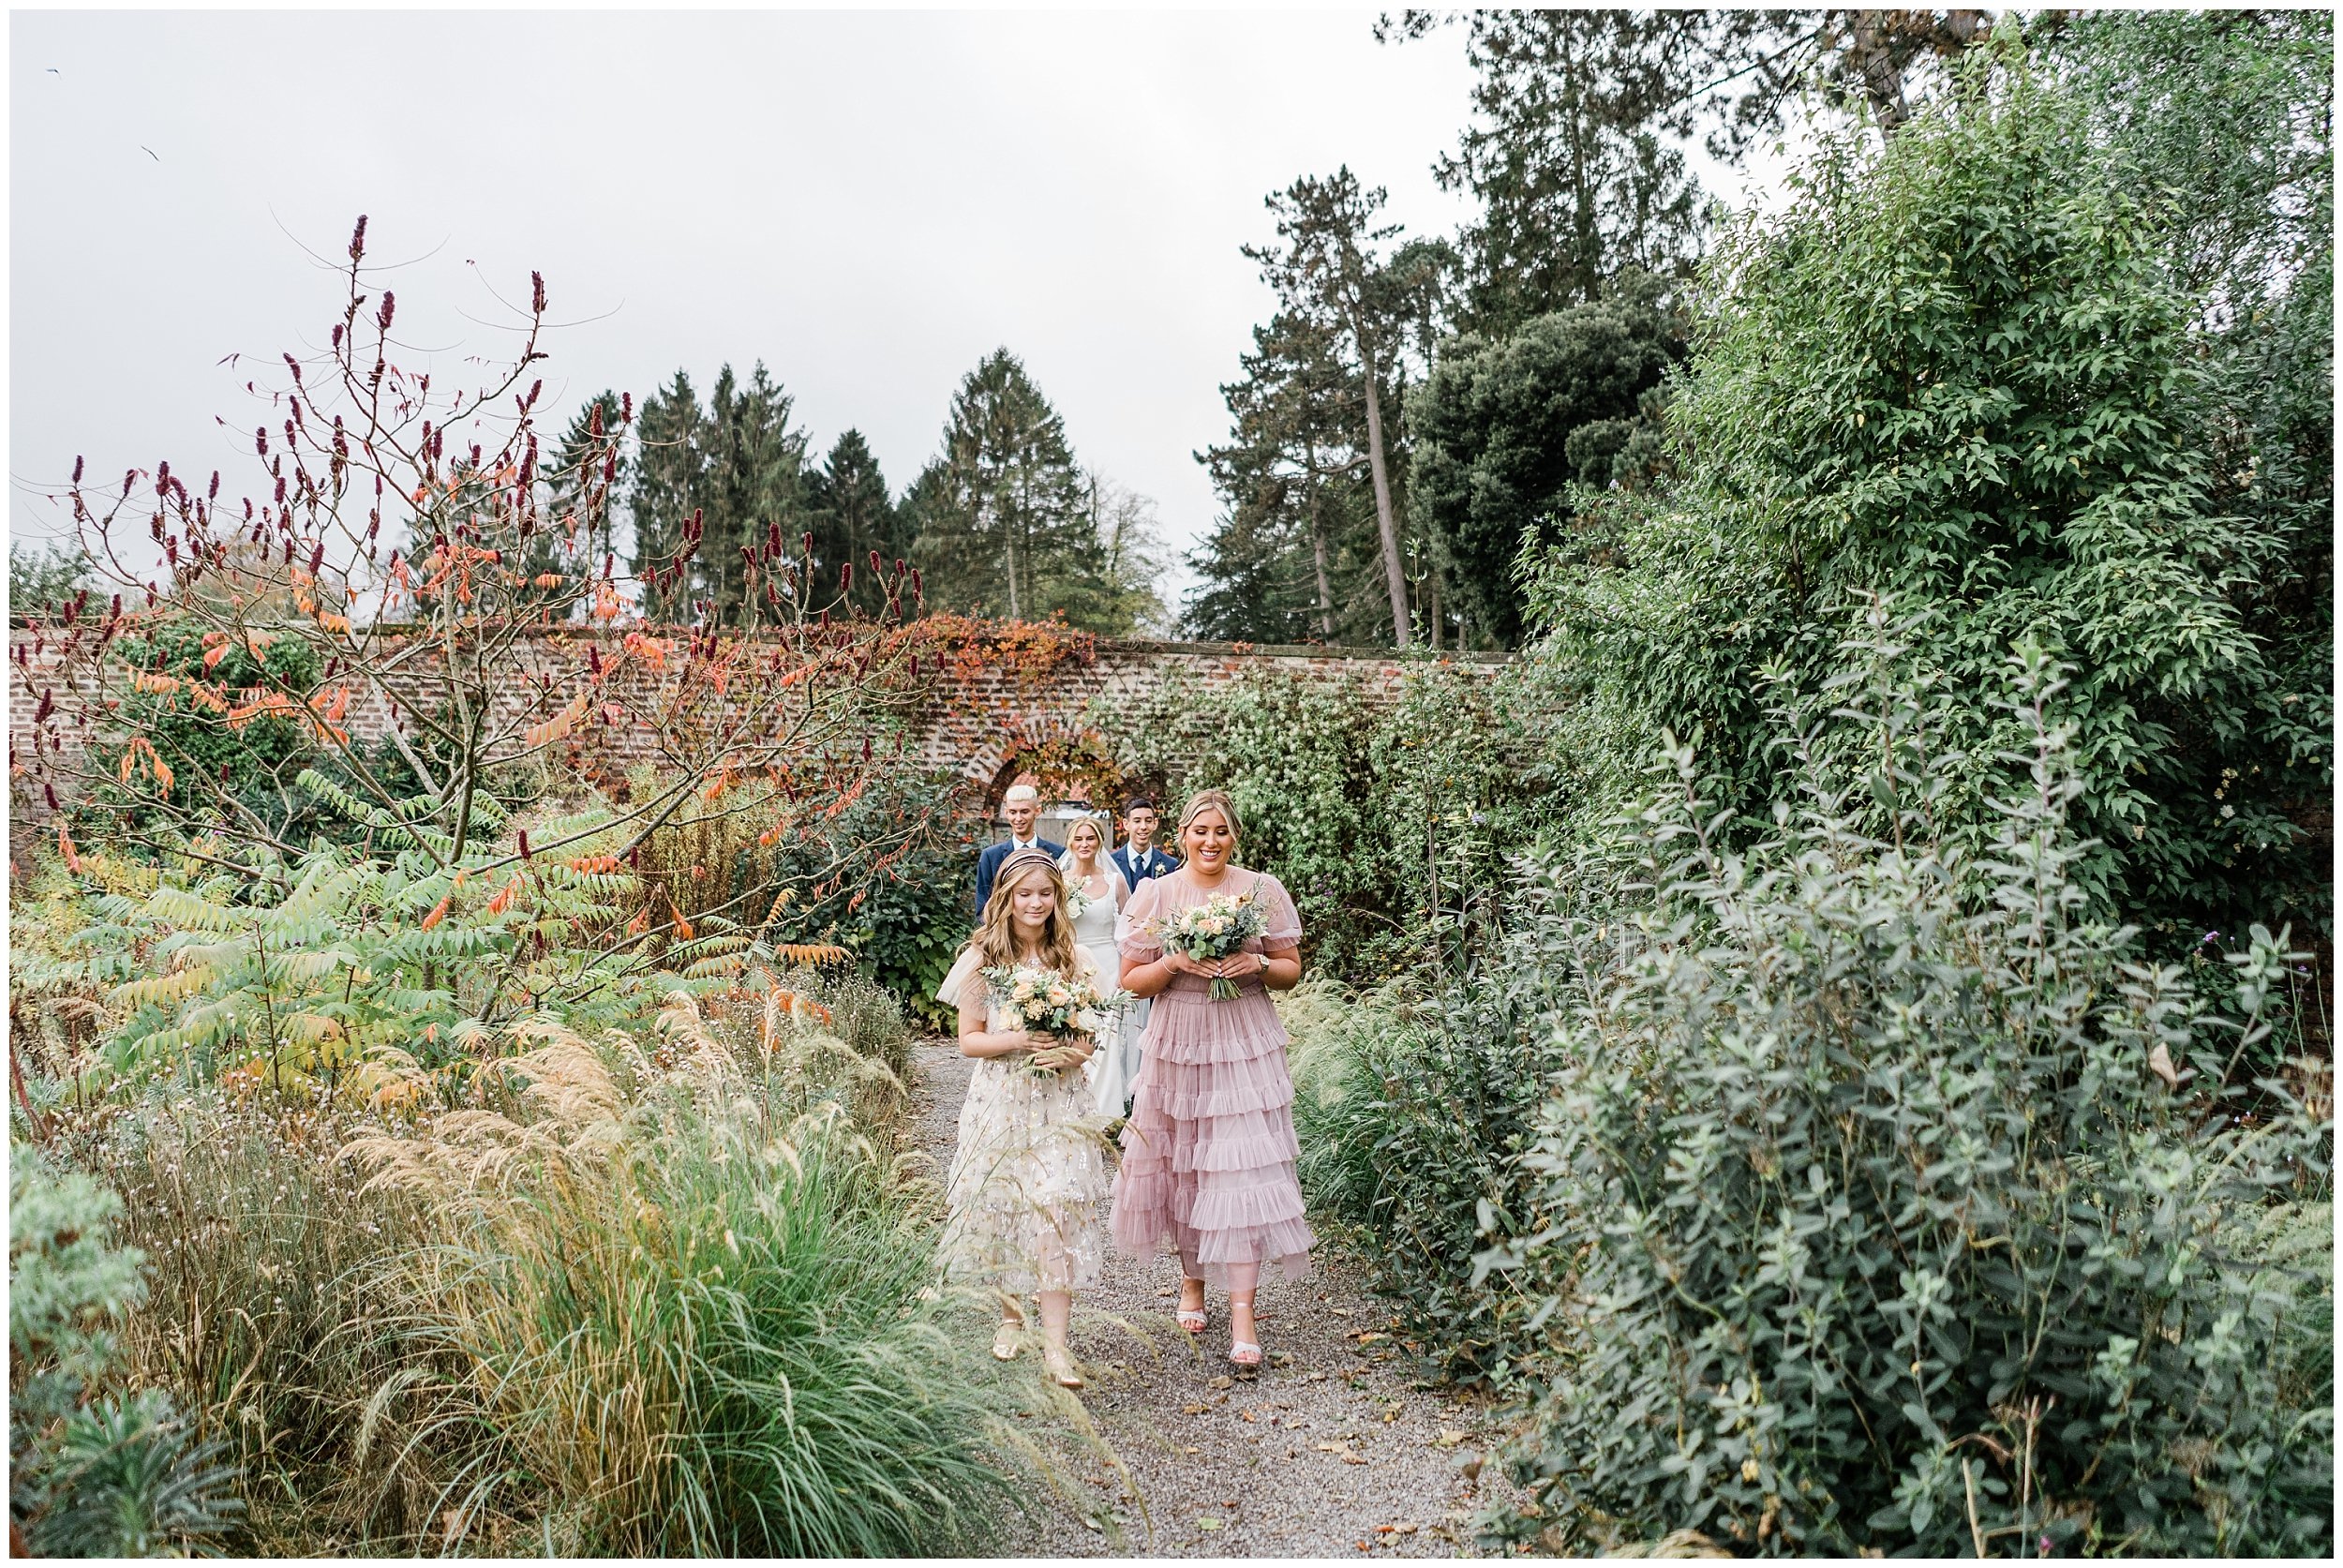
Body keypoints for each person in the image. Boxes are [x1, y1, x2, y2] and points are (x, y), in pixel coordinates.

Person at [1110, 788, 1311, 1371]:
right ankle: (1193, 1282)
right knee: (1186, 1164)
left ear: (1235, 837)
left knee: (1240, 1165)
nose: (1210, 841)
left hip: (1245, 1037)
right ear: (1181, 837)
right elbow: (1131, 979)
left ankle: (1244, 1313)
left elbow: (1291, 971)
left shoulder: (1261, 890)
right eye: (1200, 830)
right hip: (1181, 1038)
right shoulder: (1160, 893)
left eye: (1221, 830)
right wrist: (1176, 961)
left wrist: (1260, 965)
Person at [935, 847, 1110, 1391]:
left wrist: (1071, 1054)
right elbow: (968, 1041)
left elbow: (1087, 1036)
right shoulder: (983, 959)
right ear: (1005, 900)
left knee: (1055, 1206)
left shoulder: (1072, 959)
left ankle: (1057, 1346)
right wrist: (1017, 1040)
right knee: (1007, 1202)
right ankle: (1011, 1317)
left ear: (1059, 898)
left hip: (1060, 1100)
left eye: (1045, 893)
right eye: (1024, 894)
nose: (1035, 903)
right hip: (1002, 1097)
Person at [1057, 813, 1141, 1116]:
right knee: (1076, 1034)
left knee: (1106, 1038)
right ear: (1069, 842)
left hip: (1108, 966)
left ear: (1099, 842)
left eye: (1090, 838)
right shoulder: (1060, 881)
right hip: (1072, 966)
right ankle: (1074, 1108)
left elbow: (1130, 930)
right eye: (1078, 839)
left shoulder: (1114, 881)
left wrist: (1124, 973)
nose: (1084, 844)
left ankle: (1104, 1114)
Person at [975, 783, 1064, 916]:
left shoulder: (1058, 853)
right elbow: (982, 906)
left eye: (1024, 812)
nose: (1018, 818)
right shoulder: (990, 856)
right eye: (1013, 812)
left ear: (1037, 811)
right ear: (1006, 813)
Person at [1111, 796, 1178, 889]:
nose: (1143, 826)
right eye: (1137, 821)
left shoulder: (1170, 864)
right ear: (1126, 824)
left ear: (1155, 823)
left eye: (1148, 821)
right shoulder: (1111, 864)